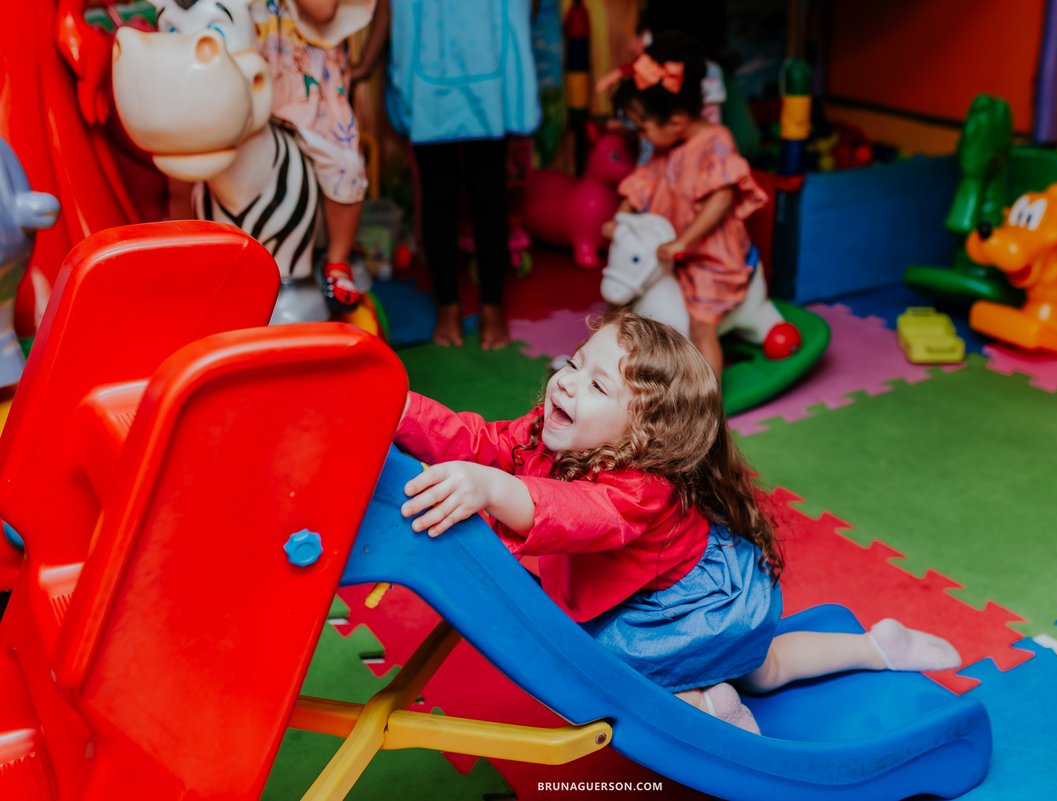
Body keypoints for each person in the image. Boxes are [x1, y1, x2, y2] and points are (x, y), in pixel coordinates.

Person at [392, 308, 960, 733]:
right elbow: (479, 439)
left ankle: (722, 700)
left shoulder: (642, 487)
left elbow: (574, 514)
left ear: (642, 434)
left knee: (613, 667)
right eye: (574, 362)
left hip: (692, 607)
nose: (565, 381)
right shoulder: (551, 429)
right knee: (761, 670)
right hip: (642, 587)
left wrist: (493, 487)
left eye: (596, 385)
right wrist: (400, 409)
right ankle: (875, 645)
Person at [360, 0, 540, 350]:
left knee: (489, 195)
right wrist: (367, 62)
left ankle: (492, 306)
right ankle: (448, 304)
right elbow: (388, 4)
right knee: (438, 197)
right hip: (429, 80)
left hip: (491, 72)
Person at [599, 32, 763, 379]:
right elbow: (640, 185)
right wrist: (620, 218)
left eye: (642, 127)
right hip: (669, 252)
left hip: (708, 257)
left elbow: (721, 198)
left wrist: (684, 242)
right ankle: (600, 368)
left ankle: (708, 407)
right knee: (622, 301)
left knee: (701, 328)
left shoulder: (715, 143)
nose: (640, 137)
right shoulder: (665, 148)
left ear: (674, 122)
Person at [252, 0, 376, 313]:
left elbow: (322, 11)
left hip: (309, 84)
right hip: (253, 73)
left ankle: (337, 259)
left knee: (343, 162)